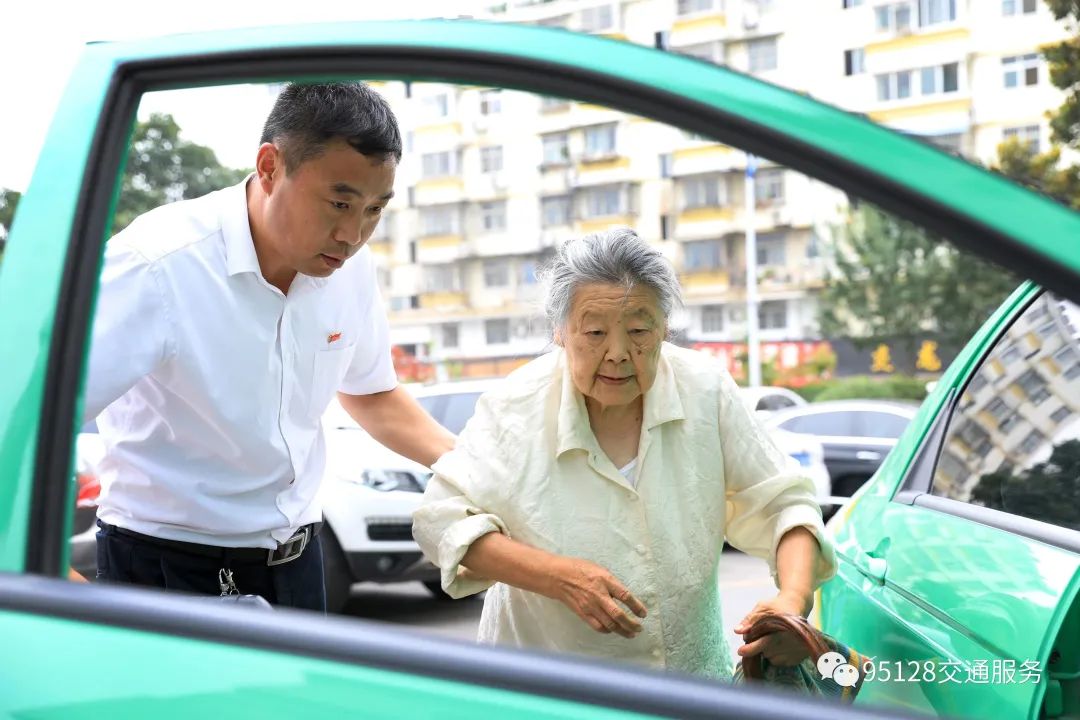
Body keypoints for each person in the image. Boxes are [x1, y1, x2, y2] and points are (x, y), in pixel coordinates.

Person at [86, 82, 454, 611]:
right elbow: (27, 427)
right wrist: (60, 588)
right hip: (165, 569)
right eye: (339, 202)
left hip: (299, 563)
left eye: (375, 209)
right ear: (269, 167)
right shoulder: (156, 265)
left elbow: (372, 394)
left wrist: (480, 469)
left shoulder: (349, 270)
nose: (353, 233)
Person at [413, 228, 836, 679]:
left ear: (664, 328)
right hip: (546, 688)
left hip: (687, 684)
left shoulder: (705, 391)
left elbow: (783, 504)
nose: (617, 354)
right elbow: (442, 522)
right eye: (594, 332)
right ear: (559, 332)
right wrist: (556, 577)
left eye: (638, 330)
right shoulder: (515, 407)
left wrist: (792, 602)